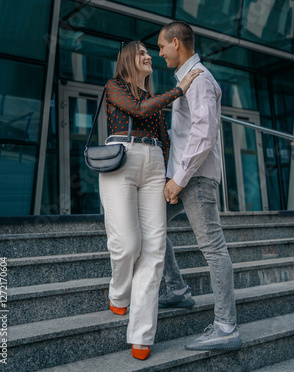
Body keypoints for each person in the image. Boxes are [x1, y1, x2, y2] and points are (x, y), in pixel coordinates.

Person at [99, 41, 201, 360]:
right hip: (121, 159)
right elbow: (138, 110)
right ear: (129, 59)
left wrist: (173, 176)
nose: (148, 56)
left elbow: (165, 139)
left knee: (155, 249)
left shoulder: (151, 97)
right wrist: (180, 88)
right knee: (128, 244)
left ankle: (142, 334)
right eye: (142, 52)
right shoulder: (114, 86)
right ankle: (119, 292)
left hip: (154, 162)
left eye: (149, 52)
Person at [157, 21, 242, 351]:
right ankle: (176, 289)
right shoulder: (186, 80)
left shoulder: (201, 80)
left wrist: (178, 179)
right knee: (151, 224)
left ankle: (226, 327)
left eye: (162, 46)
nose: (159, 52)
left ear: (176, 43)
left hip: (196, 178)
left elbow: (203, 134)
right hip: (183, 177)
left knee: (213, 247)